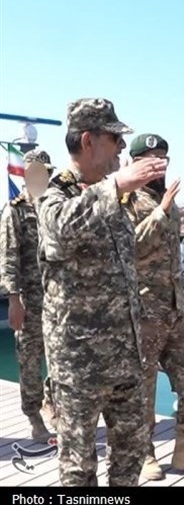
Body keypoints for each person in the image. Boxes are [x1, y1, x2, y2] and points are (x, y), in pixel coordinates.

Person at [36, 97, 167, 486]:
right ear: (88, 141)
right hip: (80, 365)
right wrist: (117, 185)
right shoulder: (55, 192)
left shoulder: (112, 196)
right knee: (79, 467)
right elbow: (60, 228)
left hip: (125, 358)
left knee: (130, 457)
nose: (123, 147)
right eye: (114, 138)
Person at [119, 133, 184, 481]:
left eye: (163, 159)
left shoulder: (168, 200)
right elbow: (130, 248)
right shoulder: (125, 201)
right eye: (151, 159)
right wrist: (161, 212)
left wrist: (166, 207)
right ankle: (144, 453)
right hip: (144, 311)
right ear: (135, 162)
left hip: (176, 309)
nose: (158, 165)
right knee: (142, 388)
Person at [0, 150, 57, 441]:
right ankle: (34, 416)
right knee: (30, 361)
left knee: (60, 357)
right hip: (29, 300)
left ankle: (52, 403)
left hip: (57, 300)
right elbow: (8, 257)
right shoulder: (16, 211)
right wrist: (13, 299)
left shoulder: (55, 206)